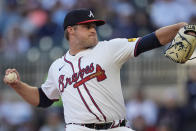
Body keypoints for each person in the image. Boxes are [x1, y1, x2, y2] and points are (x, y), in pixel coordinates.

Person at [3, 9, 188, 131]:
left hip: (117, 127)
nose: (93, 30)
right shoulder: (57, 67)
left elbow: (149, 41)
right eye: (87, 26)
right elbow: (43, 99)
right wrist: (18, 85)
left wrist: (177, 27)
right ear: (71, 30)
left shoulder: (110, 48)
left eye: (94, 26)